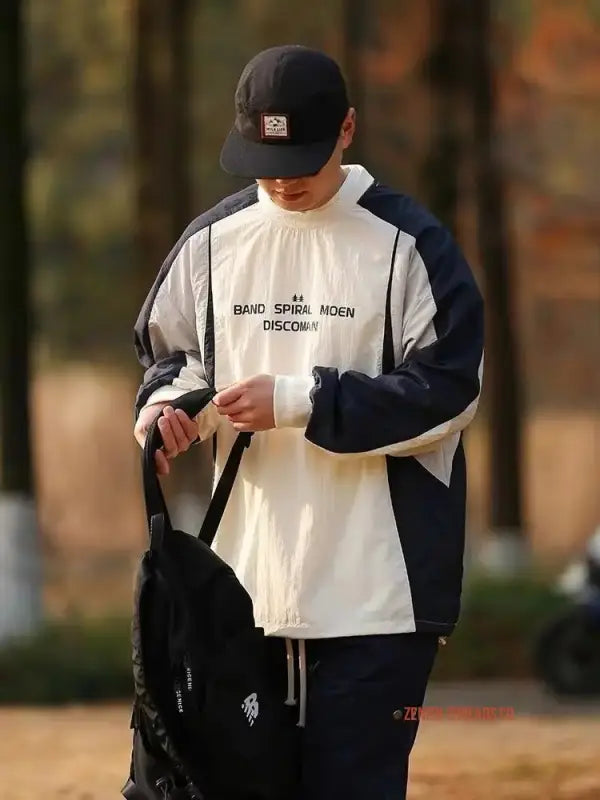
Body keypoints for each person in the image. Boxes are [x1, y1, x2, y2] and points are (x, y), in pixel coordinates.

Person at [133, 44, 484, 800]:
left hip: (378, 599)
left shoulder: (409, 246)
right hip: (240, 589)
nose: (285, 177)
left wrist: (298, 402)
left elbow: (449, 388)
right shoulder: (212, 245)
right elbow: (174, 359)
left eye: (303, 157)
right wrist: (165, 412)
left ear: (349, 130)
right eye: (266, 158)